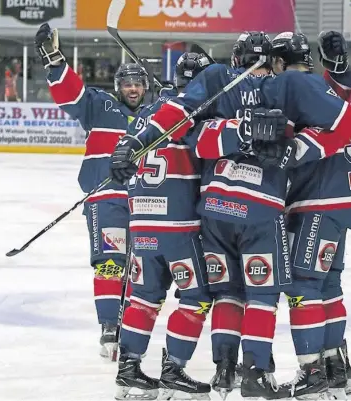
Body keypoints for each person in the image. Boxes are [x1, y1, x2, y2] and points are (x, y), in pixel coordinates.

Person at [248, 30, 351, 400]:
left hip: (316, 199)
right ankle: (336, 369)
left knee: (303, 286)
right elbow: (339, 117)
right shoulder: (320, 85)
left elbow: (342, 120)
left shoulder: (293, 82)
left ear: (279, 62)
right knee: (328, 287)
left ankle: (311, 373)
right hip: (341, 200)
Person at [35, 23, 148, 358]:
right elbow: (71, 94)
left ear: (145, 87)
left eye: (137, 83)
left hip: (148, 204)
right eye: (126, 83)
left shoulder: (159, 115)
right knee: (110, 264)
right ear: (117, 87)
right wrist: (55, 60)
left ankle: (129, 322)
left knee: (138, 268)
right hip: (107, 198)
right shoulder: (100, 107)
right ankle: (109, 327)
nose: (131, 88)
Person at [111, 52, 215, 400]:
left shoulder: (144, 115)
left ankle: (129, 371)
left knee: (142, 297)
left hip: (141, 223)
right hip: (179, 225)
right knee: (197, 297)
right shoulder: (195, 111)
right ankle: (174, 370)